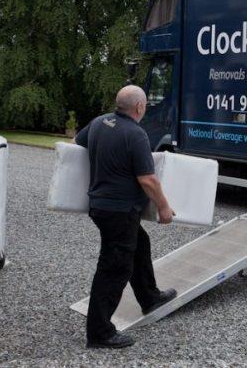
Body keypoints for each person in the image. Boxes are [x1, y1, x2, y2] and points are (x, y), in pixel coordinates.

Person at [75, 85, 178, 350]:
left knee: (139, 245)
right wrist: (164, 207)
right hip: (118, 211)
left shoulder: (99, 123)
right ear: (140, 107)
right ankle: (100, 333)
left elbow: (79, 142)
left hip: (101, 207)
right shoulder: (136, 134)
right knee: (114, 268)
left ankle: (150, 297)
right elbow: (148, 179)